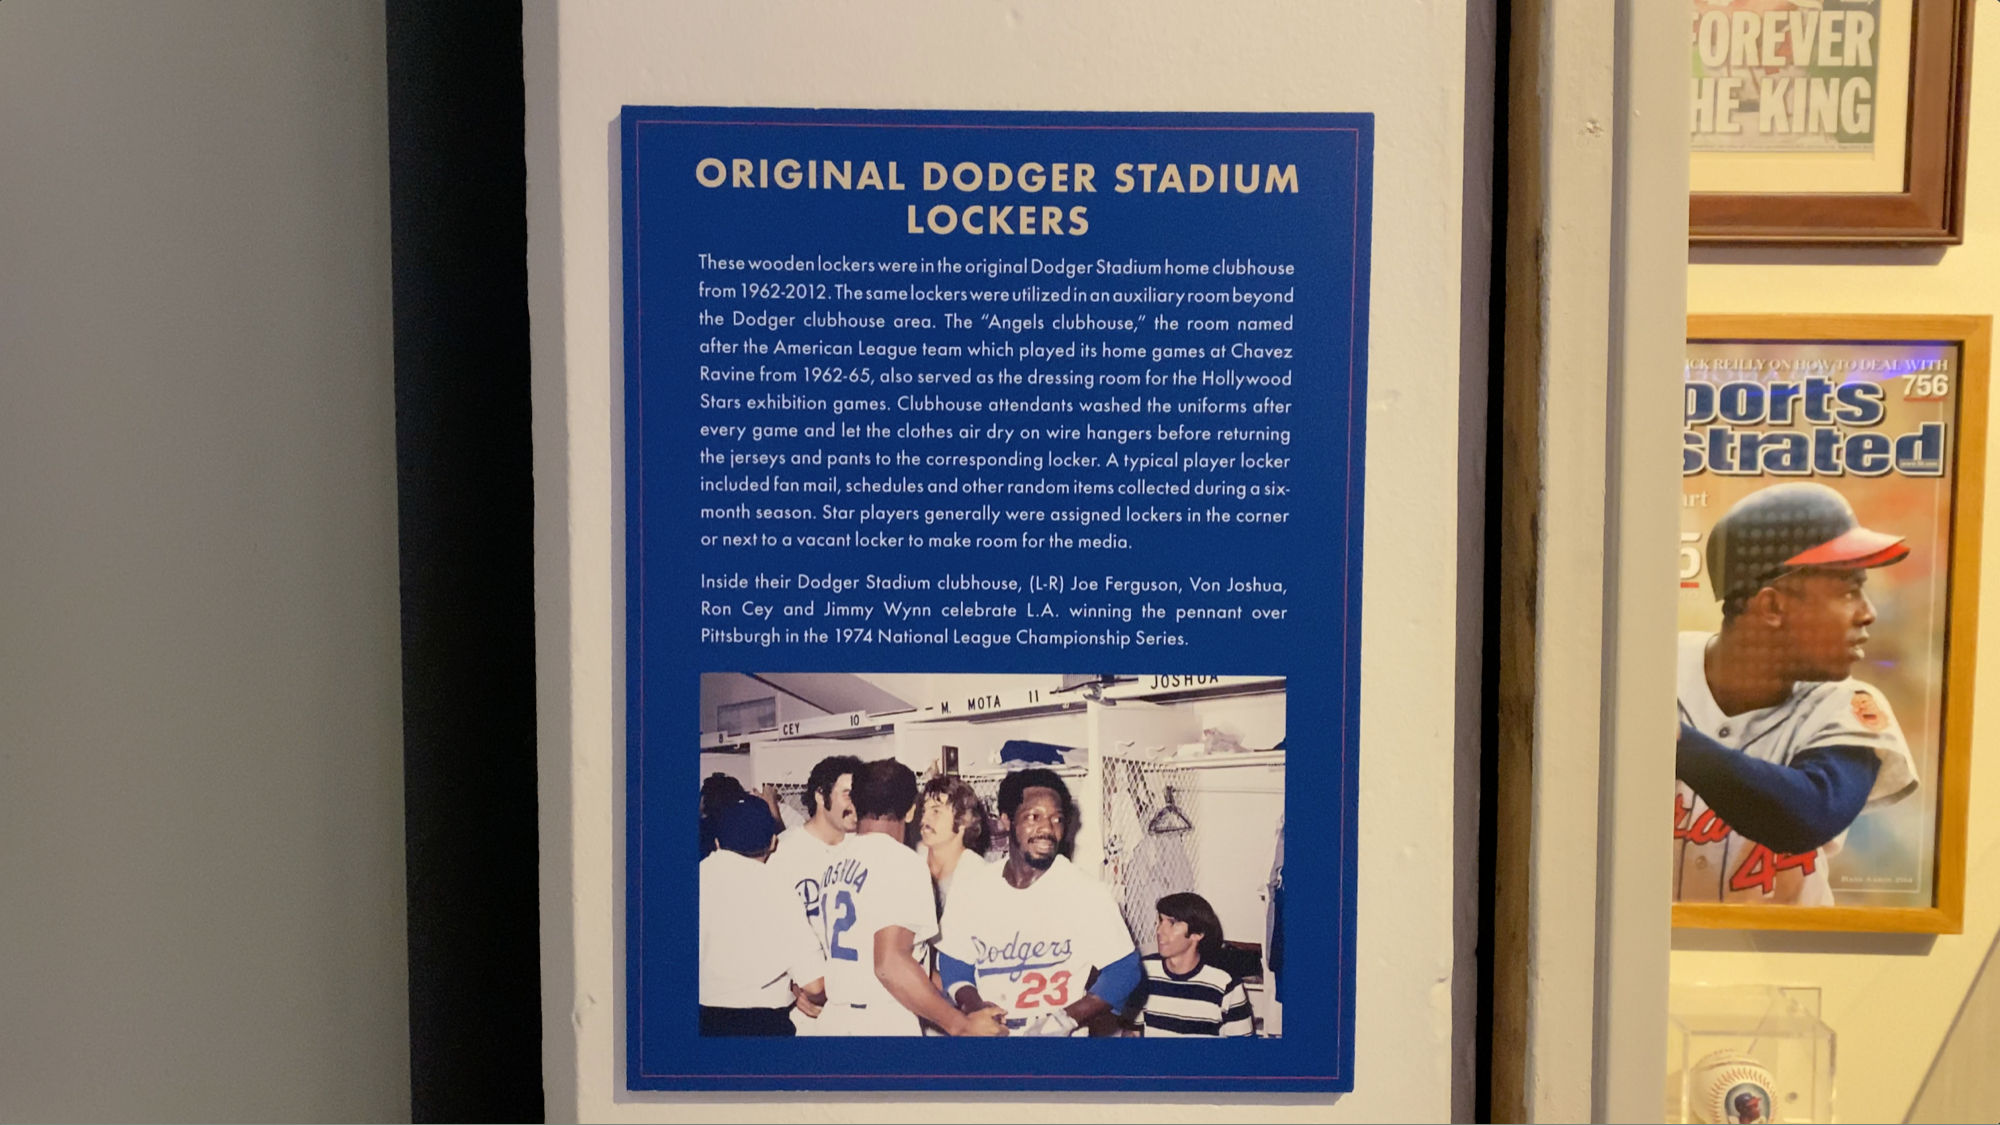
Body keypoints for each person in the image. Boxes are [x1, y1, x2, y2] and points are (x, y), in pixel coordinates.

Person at [1676, 482, 1920, 905]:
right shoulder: (1648, 670)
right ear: (1771, 608)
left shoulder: (1846, 704)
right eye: (1849, 590)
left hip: (1789, 958)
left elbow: (1809, 815)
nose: (1868, 612)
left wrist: (1674, 743)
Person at [937, 768, 1140, 1036]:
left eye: (1056, 819)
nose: (1047, 828)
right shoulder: (972, 890)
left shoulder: (1086, 892)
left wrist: (1065, 1019)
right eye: (1034, 817)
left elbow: (1124, 970)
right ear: (1007, 820)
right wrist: (974, 1006)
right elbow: (954, 962)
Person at [816, 759, 1006, 1038]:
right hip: (881, 1022)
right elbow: (889, 963)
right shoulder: (901, 862)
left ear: (855, 805)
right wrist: (959, 1024)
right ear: (910, 812)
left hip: (835, 1019)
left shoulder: (834, 861)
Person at [697, 797, 827, 1035]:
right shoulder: (778, 889)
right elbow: (815, 984)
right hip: (761, 1024)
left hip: (701, 1022)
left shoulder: (693, 879)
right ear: (774, 842)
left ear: (716, 843)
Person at [764, 753, 862, 1034]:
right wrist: (791, 985)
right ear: (821, 796)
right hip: (807, 1012)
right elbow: (766, 931)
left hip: (860, 1005)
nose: (856, 804)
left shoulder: (867, 848)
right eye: (847, 794)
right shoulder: (782, 852)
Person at [1127, 892, 1254, 1037]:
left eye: (1172, 923)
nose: (1159, 931)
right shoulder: (1144, 972)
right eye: (1160, 921)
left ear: (1198, 933)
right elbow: (1131, 1033)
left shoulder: (1226, 984)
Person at [917, 774, 991, 910]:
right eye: (924, 811)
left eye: (936, 811)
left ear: (964, 820)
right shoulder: (913, 865)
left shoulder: (978, 876)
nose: (924, 820)